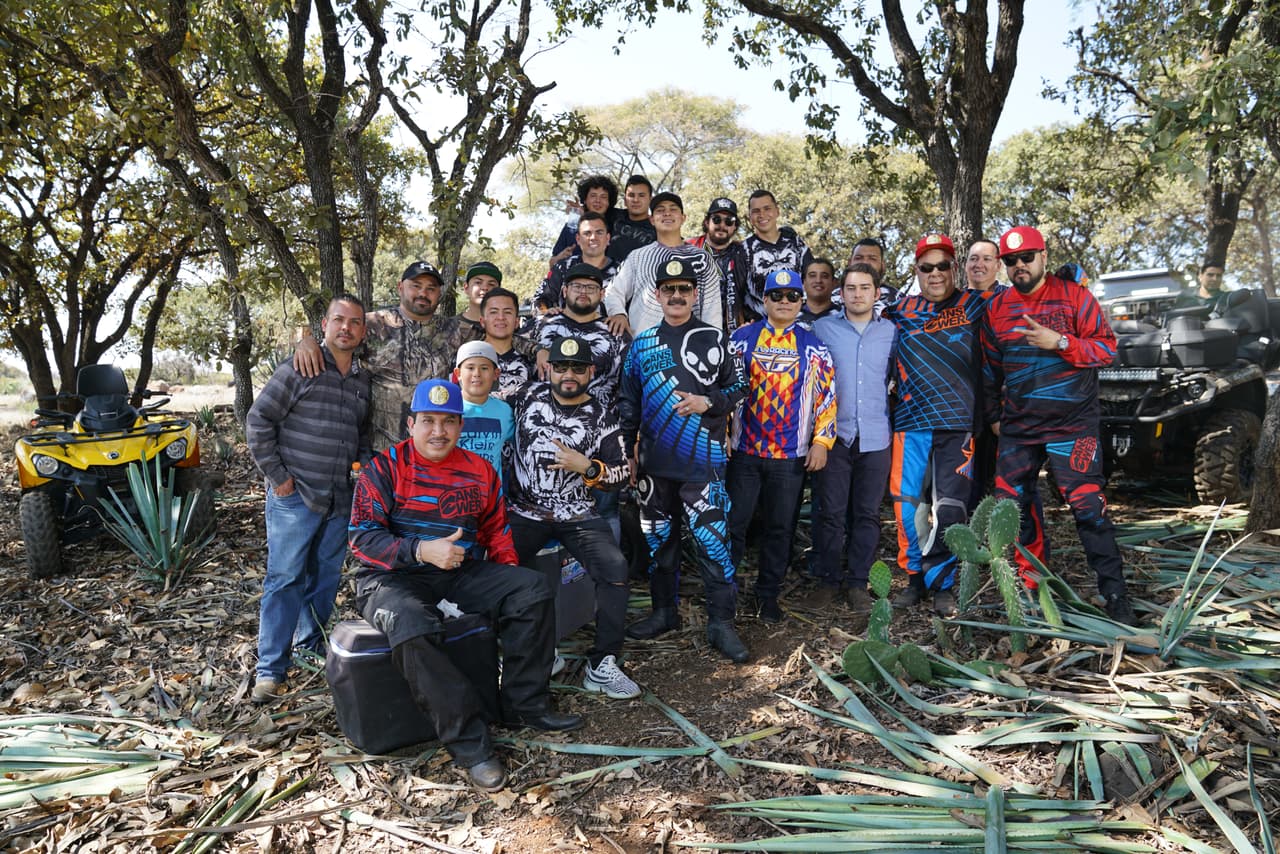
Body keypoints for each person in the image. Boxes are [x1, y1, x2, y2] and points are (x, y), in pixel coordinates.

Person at [349, 379, 582, 793]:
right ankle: (471, 744)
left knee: (530, 590)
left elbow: (496, 531)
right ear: (410, 424)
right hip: (389, 578)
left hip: (459, 571)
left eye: (448, 422)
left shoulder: (479, 470)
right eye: (428, 421)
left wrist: (506, 579)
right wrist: (421, 549)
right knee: (412, 624)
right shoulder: (384, 468)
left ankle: (523, 705)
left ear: (461, 426)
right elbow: (362, 538)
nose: (438, 431)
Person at [982, 226, 1137, 624]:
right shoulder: (998, 309)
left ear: (1043, 256)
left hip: (1072, 426)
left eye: (1027, 257)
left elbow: (1106, 350)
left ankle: (1114, 592)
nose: (1019, 266)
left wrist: (1061, 343)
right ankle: (1032, 586)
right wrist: (995, 417)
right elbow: (989, 369)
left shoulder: (1076, 297)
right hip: (1019, 427)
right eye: (1011, 261)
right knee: (1013, 506)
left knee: (1088, 507)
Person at [620, 257, 750, 663]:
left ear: (695, 294)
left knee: (714, 546)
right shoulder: (641, 344)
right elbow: (628, 402)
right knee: (660, 544)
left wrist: (708, 401)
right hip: (655, 468)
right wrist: (628, 453)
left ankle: (721, 624)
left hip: (704, 465)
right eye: (668, 289)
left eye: (684, 289)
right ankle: (664, 613)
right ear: (656, 295)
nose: (676, 296)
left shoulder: (715, 338)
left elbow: (742, 385)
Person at [246, 295, 372, 703]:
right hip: (294, 498)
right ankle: (270, 669)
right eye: (339, 320)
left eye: (355, 322)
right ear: (324, 324)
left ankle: (309, 648)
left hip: (339, 499)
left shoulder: (360, 381)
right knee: (284, 580)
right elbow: (258, 420)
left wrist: (361, 474)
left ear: (362, 331)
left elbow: (363, 435)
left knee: (325, 579)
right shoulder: (299, 368)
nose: (346, 328)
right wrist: (278, 478)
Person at [507, 336, 640, 699]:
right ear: (549, 368)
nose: (569, 374)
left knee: (615, 569)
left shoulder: (602, 416)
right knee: (495, 570)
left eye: (578, 368)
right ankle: (530, 653)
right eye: (562, 367)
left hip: (577, 513)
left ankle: (603, 664)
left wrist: (589, 467)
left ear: (590, 372)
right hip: (525, 510)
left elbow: (619, 475)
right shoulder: (523, 398)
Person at [884, 233, 989, 617]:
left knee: (950, 509)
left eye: (943, 265)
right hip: (910, 423)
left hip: (958, 424)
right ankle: (913, 578)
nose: (935, 273)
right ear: (917, 271)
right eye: (927, 267)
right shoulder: (898, 310)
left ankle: (942, 581)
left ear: (954, 268)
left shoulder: (975, 304)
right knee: (908, 507)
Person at [727, 269, 837, 622]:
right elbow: (722, 390)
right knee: (734, 525)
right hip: (745, 451)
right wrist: (721, 434)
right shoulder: (741, 340)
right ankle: (724, 593)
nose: (785, 302)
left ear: (801, 302)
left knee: (780, 528)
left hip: (790, 456)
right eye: (777, 296)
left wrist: (822, 441)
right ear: (765, 301)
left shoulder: (813, 345)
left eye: (792, 296)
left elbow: (827, 397)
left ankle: (767, 595)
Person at [294, 260, 465, 452]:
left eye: (431, 288)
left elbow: (492, 336)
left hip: (433, 449)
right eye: (416, 286)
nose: (423, 293)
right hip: (379, 451)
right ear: (400, 287)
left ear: (439, 294)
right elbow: (334, 341)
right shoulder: (373, 324)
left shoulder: (454, 330)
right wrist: (306, 343)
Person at [807, 265, 896, 613]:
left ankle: (858, 583)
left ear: (877, 293)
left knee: (867, 513)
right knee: (829, 512)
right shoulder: (822, 329)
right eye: (851, 288)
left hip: (876, 436)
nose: (858, 294)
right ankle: (827, 581)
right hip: (833, 436)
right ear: (840, 294)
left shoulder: (891, 332)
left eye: (865, 288)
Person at [604, 192, 725, 337]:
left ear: (683, 218)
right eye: (660, 210)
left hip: (691, 348)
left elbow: (712, 308)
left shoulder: (702, 258)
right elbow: (613, 292)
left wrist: (712, 341)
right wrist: (618, 313)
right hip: (646, 346)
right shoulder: (638, 256)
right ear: (652, 220)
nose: (667, 213)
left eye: (673, 209)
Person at [741, 189, 813, 323]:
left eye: (767, 208)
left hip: (799, 324)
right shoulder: (743, 250)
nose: (762, 215)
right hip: (760, 327)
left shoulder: (796, 243)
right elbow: (736, 294)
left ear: (777, 211)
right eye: (756, 211)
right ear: (750, 217)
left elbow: (812, 280)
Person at [453, 341, 514, 484]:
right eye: (470, 368)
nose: (477, 374)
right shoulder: (449, 409)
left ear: (496, 374)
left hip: (491, 496)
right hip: (454, 492)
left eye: (484, 368)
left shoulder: (504, 411)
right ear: (458, 373)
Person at [687, 197, 749, 331]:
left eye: (729, 221)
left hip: (732, 333)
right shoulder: (688, 249)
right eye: (716, 219)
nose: (722, 225)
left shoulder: (743, 253)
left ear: (735, 226)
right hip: (693, 329)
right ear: (706, 221)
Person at [479, 288, 537, 401]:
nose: (501, 317)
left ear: (516, 322)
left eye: (507, 312)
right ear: (482, 321)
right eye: (493, 312)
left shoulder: (532, 361)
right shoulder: (468, 358)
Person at [549, 175, 618, 264]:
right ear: (585, 200)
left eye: (603, 197)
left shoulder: (618, 226)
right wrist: (559, 258)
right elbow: (552, 262)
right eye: (593, 196)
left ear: (609, 202)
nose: (598, 200)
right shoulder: (572, 226)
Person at [607, 175, 658, 263]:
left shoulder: (658, 228)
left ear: (650, 200)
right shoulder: (612, 215)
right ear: (625, 200)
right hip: (608, 274)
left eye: (641, 195)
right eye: (631, 195)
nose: (636, 200)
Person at [456, 262, 503, 340]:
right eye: (478, 282)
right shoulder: (449, 327)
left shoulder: (504, 326)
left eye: (491, 284)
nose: (485, 287)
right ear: (466, 288)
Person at [848, 237, 899, 307]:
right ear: (849, 263)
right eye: (858, 258)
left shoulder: (898, 300)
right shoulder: (832, 298)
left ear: (883, 265)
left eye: (872, 259)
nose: (865, 263)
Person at [799, 257, 840, 325]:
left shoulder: (844, 317)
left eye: (824, 276)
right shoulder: (789, 317)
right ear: (804, 283)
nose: (818, 280)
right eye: (812, 276)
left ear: (834, 283)